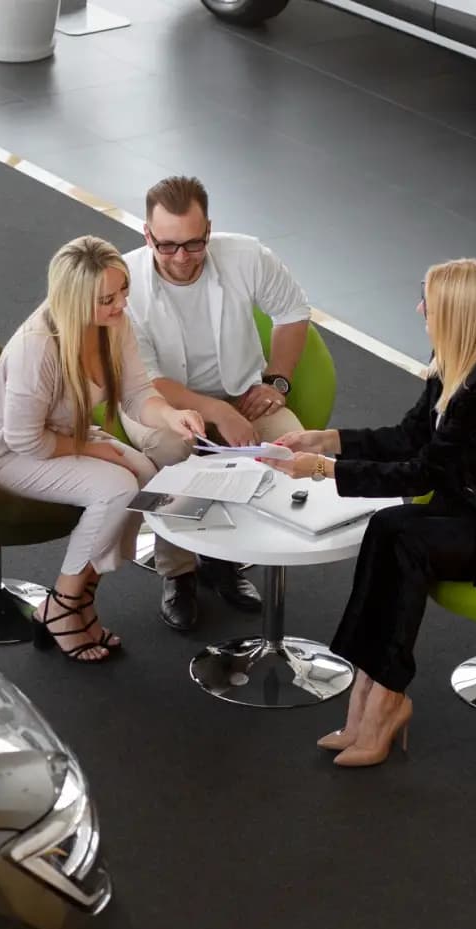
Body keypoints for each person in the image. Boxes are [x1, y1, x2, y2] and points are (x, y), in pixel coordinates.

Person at [260, 258, 476, 767]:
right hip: (465, 511)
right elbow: (409, 438)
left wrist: (323, 469)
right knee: (387, 527)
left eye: (428, 302)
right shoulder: (454, 369)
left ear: (454, 313)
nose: (419, 308)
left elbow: (421, 473)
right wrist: (330, 440)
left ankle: (385, 701)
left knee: (404, 538)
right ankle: (369, 692)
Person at [0, 235, 205, 663]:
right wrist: (92, 447)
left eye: (123, 291)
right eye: (107, 298)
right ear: (74, 301)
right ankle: (63, 606)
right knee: (117, 488)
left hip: (57, 434)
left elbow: (138, 393)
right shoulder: (38, 346)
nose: (120, 304)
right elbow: (22, 439)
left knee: (144, 473)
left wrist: (170, 416)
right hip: (0, 452)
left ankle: (83, 599)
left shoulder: (114, 323)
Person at [123, 175, 312, 631]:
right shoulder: (126, 282)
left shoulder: (247, 255)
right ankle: (179, 574)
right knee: (177, 451)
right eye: (167, 246)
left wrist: (277, 381)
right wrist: (217, 413)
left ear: (209, 229)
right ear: (148, 234)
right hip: (155, 400)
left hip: (241, 390)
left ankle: (223, 560)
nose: (181, 258)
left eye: (193, 243)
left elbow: (294, 310)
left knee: (289, 447)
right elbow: (147, 379)